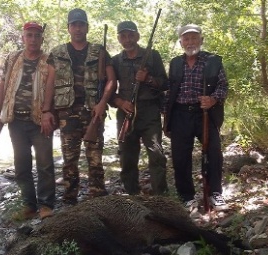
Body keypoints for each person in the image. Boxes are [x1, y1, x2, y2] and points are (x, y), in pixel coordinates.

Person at [41, 8, 116, 205]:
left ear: (87, 27)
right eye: (74, 24)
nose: (78, 28)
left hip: (93, 113)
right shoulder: (57, 53)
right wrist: (46, 111)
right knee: (69, 161)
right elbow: (50, 83)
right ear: (68, 28)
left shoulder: (99, 51)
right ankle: (69, 201)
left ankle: (98, 200)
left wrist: (102, 104)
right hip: (67, 114)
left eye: (81, 24)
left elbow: (111, 81)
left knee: (95, 160)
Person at [0, 21, 56, 219]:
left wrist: (47, 112)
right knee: (22, 165)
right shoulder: (13, 58)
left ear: (42, 39)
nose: (33, 39)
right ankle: (28, 204)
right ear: (23, 37)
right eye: (29, 35)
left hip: (39, 121)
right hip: (16, 121)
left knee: (45, 164)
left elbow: (52, 87)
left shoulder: (49, 60)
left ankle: (46, 205)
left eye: (37, 35)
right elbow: (3, 86)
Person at [163, 24, 229, 211]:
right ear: (181, 42)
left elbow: (223, 86)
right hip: (180, 114)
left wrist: (213, 99)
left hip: (205, 114)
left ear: (201, 39)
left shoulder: (213, 61)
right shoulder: (175, 63)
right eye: (186, 38)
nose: (190, 42)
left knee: (214, 152)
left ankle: (215, 193)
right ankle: (187, 197)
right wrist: (165, 114)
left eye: (194, 37)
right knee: (180, 157)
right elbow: (170, 90)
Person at [111, 21, 168, 196]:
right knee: (127, 156)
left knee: (156, 153)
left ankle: (161, 196)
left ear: (137, 36)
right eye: (123, 36)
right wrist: (121, 103)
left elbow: (165, 83)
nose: (127, 40)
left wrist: (148, 79)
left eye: (130, 35)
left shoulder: (152, 56)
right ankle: (133, 195)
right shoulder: (115, 61)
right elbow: (108, 91)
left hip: (149, 111)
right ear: (119, 38)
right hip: (126, 112)